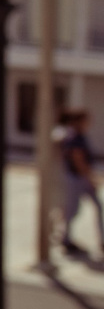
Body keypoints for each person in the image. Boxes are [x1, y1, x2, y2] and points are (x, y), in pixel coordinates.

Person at [56, 106, 100, 259]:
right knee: (72, 210)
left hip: (78, 178)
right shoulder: (74, 137)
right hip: (77, 178)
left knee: (94, 207)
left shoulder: (77, 136)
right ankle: (65, 238)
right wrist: (89, 178)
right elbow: (78, 159)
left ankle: (66, 237)